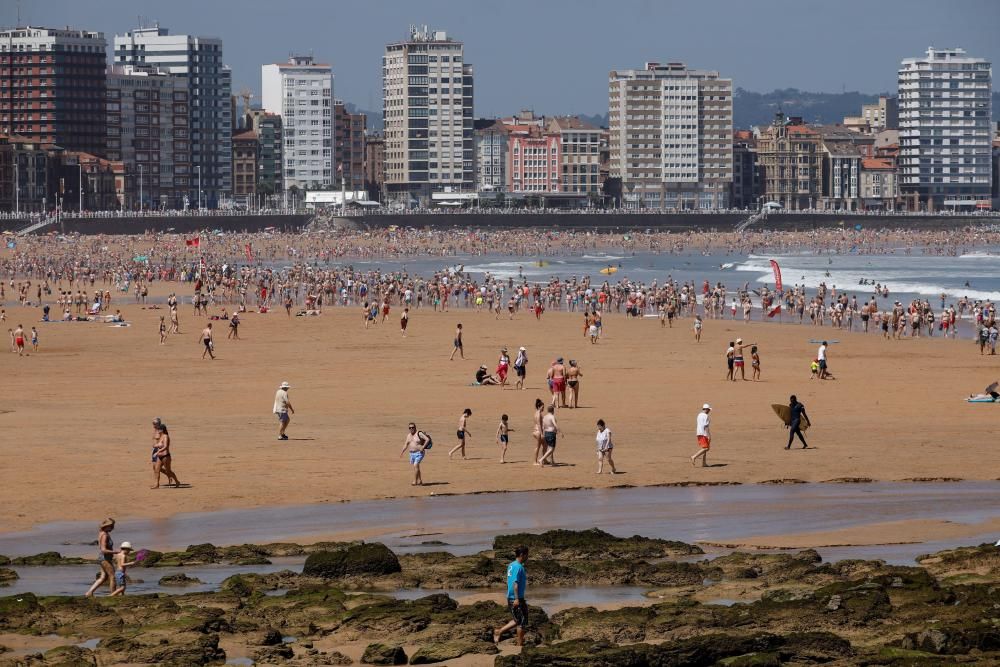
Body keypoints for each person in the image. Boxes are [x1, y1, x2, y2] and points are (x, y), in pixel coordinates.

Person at [494, 546, 529, 646]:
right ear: (522, 555)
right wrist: (517, 599)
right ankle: (519, 644)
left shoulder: (511, 565)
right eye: (527, 555)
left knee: (517, 620)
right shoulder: (518, 567)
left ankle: (499, 632)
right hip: (516, 598)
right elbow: (515, 584)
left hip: (512, 597)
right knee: (522, 622)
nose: (528, 557)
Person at [85, 518, 117, 597]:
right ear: (107, 526)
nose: (113, 528)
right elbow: (103, 550)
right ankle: (113, 595)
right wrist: (116, 552)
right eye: (112, 526)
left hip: (103, 558)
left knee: (103, 577)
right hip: (105, 558)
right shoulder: (104, 535)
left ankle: (89, 592)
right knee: (112, 576)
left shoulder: (102, 533)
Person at [152, 422, 181, 488]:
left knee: (168, 471)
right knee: (157, 470)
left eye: (159, 429)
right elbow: (158, 444)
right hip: (160, 457)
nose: (158, 431)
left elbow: (165, 446)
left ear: (162, 430)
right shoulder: (160, 436)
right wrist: (156, 445)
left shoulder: (165, 436)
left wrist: (158, 451)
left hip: (165, 456)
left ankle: (177, 481)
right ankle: (156, 484)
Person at [532, 398, 545, 466]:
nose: (543, 408)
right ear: (539, 407)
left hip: (536, 431)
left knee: (545, 445)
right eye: (542, 407)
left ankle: (544, 459)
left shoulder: (537, 413)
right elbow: (539, 425)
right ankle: (535, 461)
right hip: (538, 432)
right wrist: (542, 434)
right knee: (538, 447)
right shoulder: (538, 414)